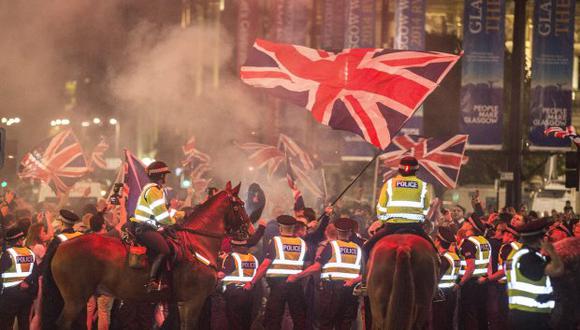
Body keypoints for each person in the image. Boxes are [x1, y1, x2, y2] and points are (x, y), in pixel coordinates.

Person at [359, 156, 434, 294]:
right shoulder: (423, 186)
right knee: (435, 253)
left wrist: (382, 221)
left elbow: (381, 207)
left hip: (391, 226)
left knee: (366, 248)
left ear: (399, 169)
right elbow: (425, 209)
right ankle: (436, 289)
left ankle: (363, 283)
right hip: (415, 227)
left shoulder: (389, 184)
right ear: (416, 171)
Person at [287, 218, 361, 330]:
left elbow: (317, 266)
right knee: (345, 323)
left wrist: (297, 276)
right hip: (351, 291)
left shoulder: (332, 246)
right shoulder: (357, 248)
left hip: (332, 290)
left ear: (337, 231)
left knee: (327, 322)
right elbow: (364, 273)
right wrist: (352, 281)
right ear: (350, 232)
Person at [243, 215, 307, 330]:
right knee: (299, 318)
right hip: (296, 284)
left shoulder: (275, 241)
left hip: (278, 286)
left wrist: (252, 282)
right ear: (293, 228)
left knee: (273, 318)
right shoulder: (302, 243)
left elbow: (265, 264)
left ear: (280, 228)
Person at [505, 217, 564, 330]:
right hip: (533, 316)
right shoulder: (529, 258)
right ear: (540, 240)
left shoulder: (515, 254)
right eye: (544, 237)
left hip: (518, 314)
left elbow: (508, 288)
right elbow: (558, 270)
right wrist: (552, 251)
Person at [131, 160, 180, 292]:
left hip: (148, 227)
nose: (166, 178)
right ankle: (152, 281)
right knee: (165, 250)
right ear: (161, 176)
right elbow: (162, 217)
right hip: (145, 229)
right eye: (165, 175)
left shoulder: (154, 190)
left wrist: (176, 215)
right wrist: (176, 222)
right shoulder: (154, 191)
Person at [454, 215, 491, 330]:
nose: (463, 223)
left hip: (469, 283)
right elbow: (489, 263)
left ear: (471, 226)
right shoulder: (484, 241)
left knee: (466, 315)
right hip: (482, 282)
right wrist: (486, 277)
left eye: (466, 222)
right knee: (481, 313)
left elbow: (471, 267)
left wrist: (460, 284)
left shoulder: (468, 242)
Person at [218, 234, 259, 330]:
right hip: (250, 293)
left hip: (235, 293)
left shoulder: (232, 257)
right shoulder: (253, 258)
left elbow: (221, 274)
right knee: (246, 321)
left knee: (234, 322)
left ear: (233, 247)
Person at [0, 226, 37, 330]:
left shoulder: (8, 254)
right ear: (20, 240)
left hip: (9, 295)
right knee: (24, 324)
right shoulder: (30, 252)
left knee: (6, 325)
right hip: (26, 294)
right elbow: (35, 272)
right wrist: (27, 282)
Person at [433, 226, 461, 330]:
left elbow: (435, 279)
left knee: (440, 323)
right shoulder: (454, 256)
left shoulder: (443, 259)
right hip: (451, 293)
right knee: (449, 321)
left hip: (440, 296)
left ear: (437, 241)